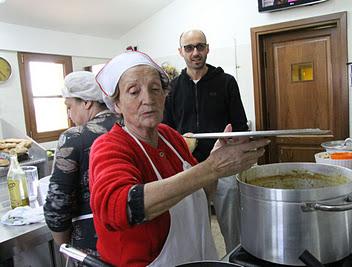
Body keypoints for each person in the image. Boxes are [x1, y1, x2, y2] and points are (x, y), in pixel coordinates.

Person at [89, 50, 269, 266]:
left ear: (165, 95)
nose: (148, 99)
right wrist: (213, 167)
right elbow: (119, 208)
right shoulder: (109, 146)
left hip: (197, 257)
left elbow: (202, 194)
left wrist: (216, 160)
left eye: (155, 89)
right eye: (134, 92)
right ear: (116, 104)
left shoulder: (170, 137)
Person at [163, 29, 249, 252]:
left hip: (225, 167)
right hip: (186, 167)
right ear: (180, 52)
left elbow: (240, 126)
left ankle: (236, 260)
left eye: (200, 47)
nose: (195, 52)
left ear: (208, 48)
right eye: (189, 48)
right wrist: (181, 144)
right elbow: (166, 130)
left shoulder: (227, 82)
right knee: (190, 227)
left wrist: (232, 145)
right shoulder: (171, 89)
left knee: (233, 230)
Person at [43, 71, 119, 260]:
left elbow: (58, 204)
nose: (69, 114)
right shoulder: (129, 126)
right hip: (135, 238)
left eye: (69, 106)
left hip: (94, 244)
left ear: (86, 102)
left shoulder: (75, 137)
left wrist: (64, 245)